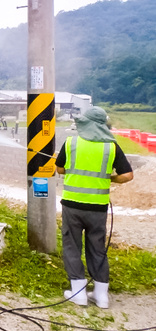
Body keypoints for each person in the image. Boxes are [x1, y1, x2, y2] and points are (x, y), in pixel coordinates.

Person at [55, 106, 133, 308]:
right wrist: (109, 178)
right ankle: (101, 296)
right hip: (98, 207)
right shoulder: (111, 147)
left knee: (72, 246)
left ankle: (78, 294)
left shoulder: (71, 143)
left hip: (72, 205)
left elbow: (60, 169)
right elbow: (127, 175)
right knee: (97, 248)